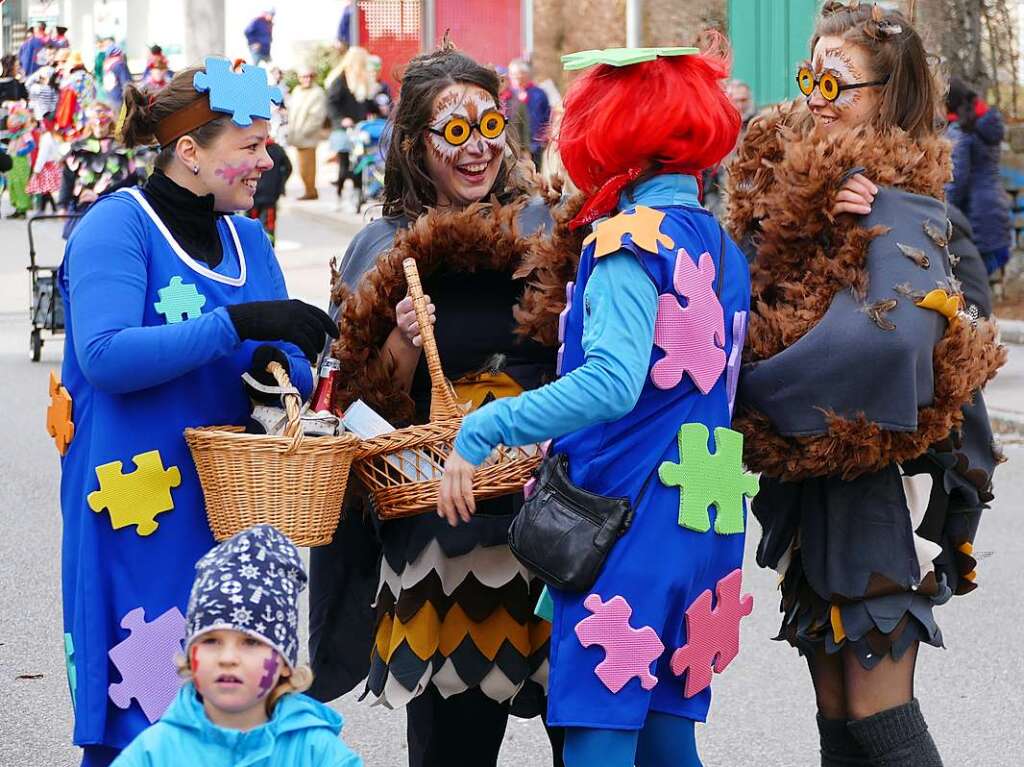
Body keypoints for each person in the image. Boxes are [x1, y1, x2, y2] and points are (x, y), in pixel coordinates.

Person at [442, 39, 748, 767]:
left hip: (625, 523)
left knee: (601, 736)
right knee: (669, 736)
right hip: (703, 516)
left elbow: (613, 380)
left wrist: (487, 425)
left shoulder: (625, 241)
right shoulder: (715, 242)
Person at [726, 4, 1006, 765]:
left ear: (888, 93)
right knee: (837, 712)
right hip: (805, 483)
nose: (818, 95)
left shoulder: (906, 198)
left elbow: (901, 339)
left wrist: (750, 390)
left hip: (877, 480)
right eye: (810, 76)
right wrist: (803, 208)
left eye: (839, 82)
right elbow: (744, 287)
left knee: (880, 712)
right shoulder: (794, 176)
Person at [56, 59, 338, 767]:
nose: (265, 162)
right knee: (145, 717)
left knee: (237, 718)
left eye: (267, 146)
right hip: (135, 512)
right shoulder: (116, 227)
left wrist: (282, 366)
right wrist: (232, 325)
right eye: (250, 147)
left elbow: (285, 360)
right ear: (190, 151)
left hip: (229, 513)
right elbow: (105, 355)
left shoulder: (248, 238)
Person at [314, 44, 561, 767]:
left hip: (552, 520)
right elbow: (356, 408)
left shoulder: (541, 228)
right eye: (454, 131)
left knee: (591, 738)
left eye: (489, 124)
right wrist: (398, 340)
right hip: (447, 532)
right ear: (417, 145)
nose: (478, 147)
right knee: (454, 749)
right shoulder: (384, 246)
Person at [109, 525, 362, 767]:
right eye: (210, 641)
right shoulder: (155, 752)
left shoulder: (317, 753)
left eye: (251, 642)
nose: (227, 657)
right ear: (189, 657)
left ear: (285, 664)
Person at [945, 76, 1013, 276]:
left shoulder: (961, 133)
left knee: (973, 298)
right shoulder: (984, 123)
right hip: (996, 211)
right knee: (981, 293)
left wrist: (939, 212)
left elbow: (956, 182)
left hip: (977, 218)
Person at [325, 46, 375, 209]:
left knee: (359, 164)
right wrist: (341, 119)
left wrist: (379, 109)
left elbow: (366, 103)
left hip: (359, 129)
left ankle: (356, 196)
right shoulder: (340, 79)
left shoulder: (362, 80)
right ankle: (339, 195)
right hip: (343, 130)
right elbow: (331, 103)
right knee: (345, 164)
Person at [287, 67, 327, 200]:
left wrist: (304, 132)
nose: (307, 79)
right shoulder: (297, 91)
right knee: (301, 167)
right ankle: (309, 190)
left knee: (307, 167)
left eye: (310, 76)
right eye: (304, 76)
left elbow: (317, 117)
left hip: (307, 136)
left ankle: (310, 191)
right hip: (297, 135)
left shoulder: (317, 93)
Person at [502, 59, 550, 170]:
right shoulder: (507, 96)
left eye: (517, 74)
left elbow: (547, 116)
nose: (515, 77)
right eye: (512, 74)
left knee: (534, 173)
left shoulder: (538, 94)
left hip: (535, 144)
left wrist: (543, 138)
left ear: (526, 75)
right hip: (514, 145)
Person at [246, 136, 291, 244]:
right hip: (270, 195)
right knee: (268, 226)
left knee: (251, 225)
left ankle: (254, 247)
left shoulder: (250, 148)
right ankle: (269, 248)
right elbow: (288, 168)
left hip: (253, 194)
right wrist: (280, 184)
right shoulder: (277, 149)